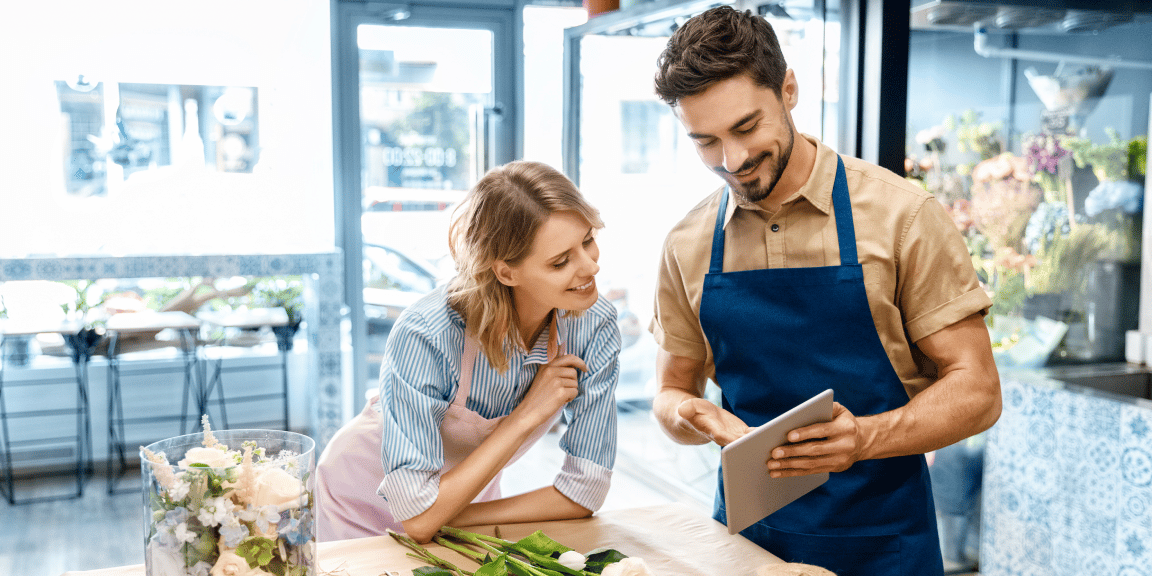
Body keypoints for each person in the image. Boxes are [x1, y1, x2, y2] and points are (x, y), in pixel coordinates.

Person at [647, 7, 1001, 575]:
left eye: (745, 128)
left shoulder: (901, 217)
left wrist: (864, 437)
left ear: (789, 90)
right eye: (705, 142)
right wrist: (693, 414)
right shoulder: (686, 243)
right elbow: (668, 391)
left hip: (884, 546)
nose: (732, 161)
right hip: (746, 547)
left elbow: (979, 390)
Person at [316, 161, 621, 543]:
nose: (591, 266)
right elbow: (419, 517)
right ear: (506, 272)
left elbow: (585, 490)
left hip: (462, 501)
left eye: (588, 240)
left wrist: (446, 514)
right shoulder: (427, 334)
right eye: (561, 261)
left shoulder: (594, 325)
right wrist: (525, 415)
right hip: (356, 498)